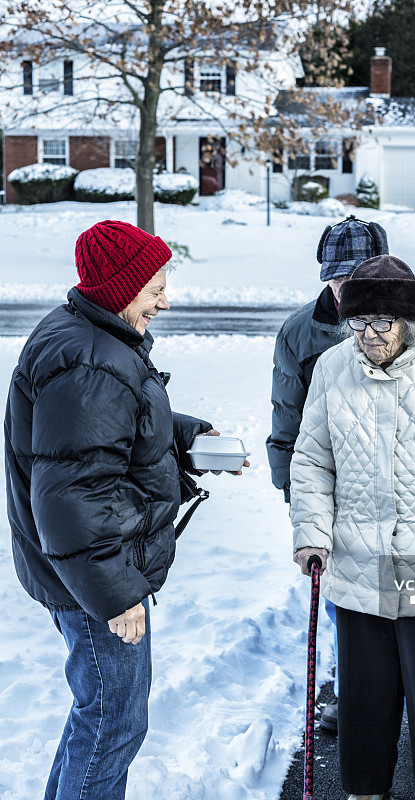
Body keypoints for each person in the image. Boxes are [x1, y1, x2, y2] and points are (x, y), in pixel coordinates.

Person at [4, 219, 248, 800]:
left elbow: (104, 435)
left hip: (84, 568)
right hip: (93, 577)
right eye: (155, 287)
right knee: (113, 722)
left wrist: (185, 434)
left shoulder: (90, 343)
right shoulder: (90, 360)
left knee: (98, 716)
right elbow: (69, 494)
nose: (165, 301)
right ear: (120, 288)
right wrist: (116, 594)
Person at [266, 215, 415, 732]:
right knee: (355, 619)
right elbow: (291, 428)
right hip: (352, 508)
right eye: (338, 277)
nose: (350, 289)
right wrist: (305, 512)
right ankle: (361, 697)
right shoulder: (302, 333)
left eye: (360, 275)